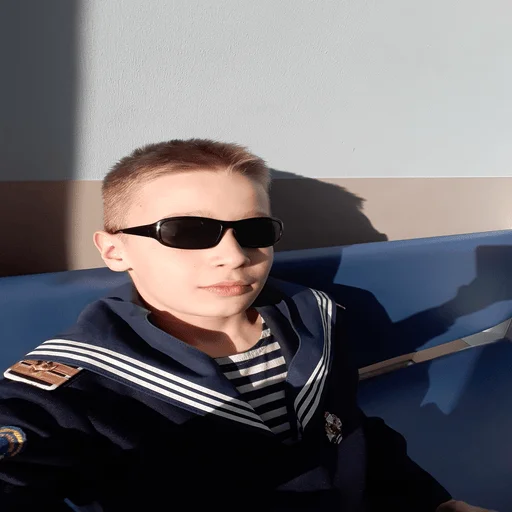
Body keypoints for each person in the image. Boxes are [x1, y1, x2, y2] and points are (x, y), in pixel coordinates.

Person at [0, 139, 494, 511]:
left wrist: (435, 502)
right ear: (114, 250)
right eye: (187, 232)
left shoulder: (314, 321)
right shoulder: (78, 384)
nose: (235, 256)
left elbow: (350, 434)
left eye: (254, 230)